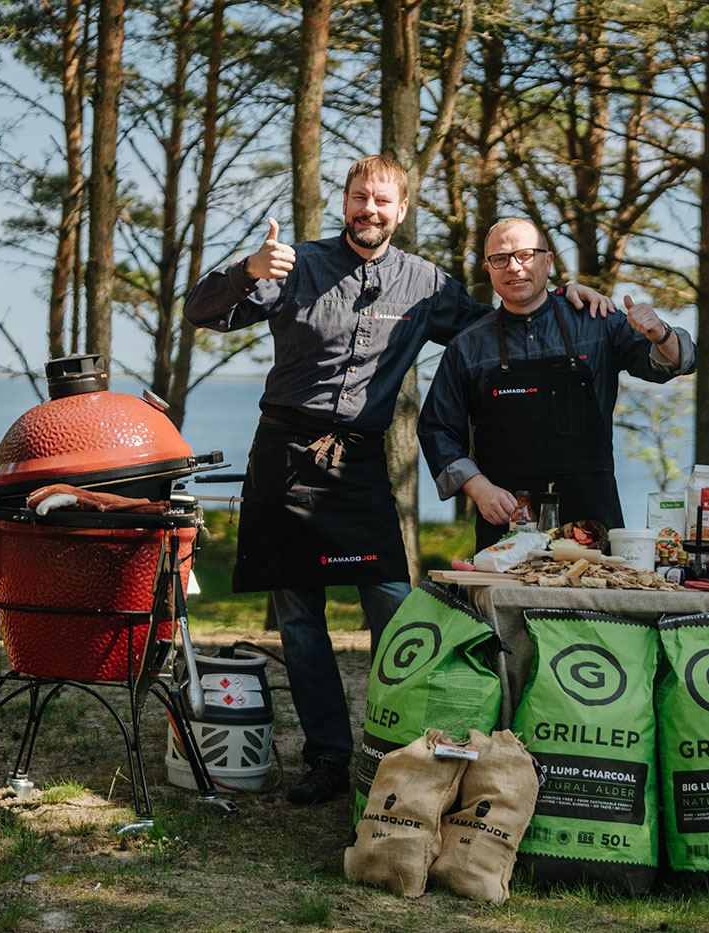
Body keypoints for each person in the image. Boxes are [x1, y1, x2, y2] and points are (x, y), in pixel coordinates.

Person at [182, 156, 612, 805]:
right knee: (299, 617)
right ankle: (328, 755)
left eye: (382, 200)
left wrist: (569, 299)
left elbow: (499, 319)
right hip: (284, 453)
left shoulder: (426, 283)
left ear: (401, 209)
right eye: (360, 197)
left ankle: (405, 746)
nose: (370, 209)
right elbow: (201, 311)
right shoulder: (294, 264)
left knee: (394, 606)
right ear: (345, 201)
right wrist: (246, 269)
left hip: (360, 460)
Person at [417, 217, 696, 552]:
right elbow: (436, 429)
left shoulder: (596, 321)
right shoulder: (468, 347)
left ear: (547, 261)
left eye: (525, 255)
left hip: (593, 522)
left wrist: (661, 334)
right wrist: (479, 488)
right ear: (488, 269)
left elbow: (672, 363)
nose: (514, 267)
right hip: (509, 522)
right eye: (501, 259)